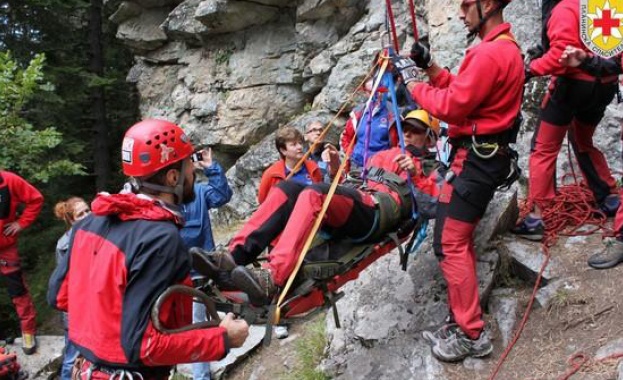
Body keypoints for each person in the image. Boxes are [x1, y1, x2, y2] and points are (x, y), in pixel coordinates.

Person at [47, 119, 249, 379]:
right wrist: (222, 339)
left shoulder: (89, 223)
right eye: (189, 165)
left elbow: (60, 296)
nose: (193, 172)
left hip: (86, 368)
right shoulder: (160, 237)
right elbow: (144, 346)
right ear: (172, 177)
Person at [198, 112, 441, 307]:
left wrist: (416, 175)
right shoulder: (383, 155)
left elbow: (436, 204)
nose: (407, 135)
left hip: (378, 211)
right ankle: (234, 255)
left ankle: (273, 277)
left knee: (314, 193)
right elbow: (350, 179)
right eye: (405, 129)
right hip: (358, 200)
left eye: (416, 132)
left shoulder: (434, 167)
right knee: (287, 188)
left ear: (430, 138)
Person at [395, 0, 523, 362]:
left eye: (467, 5)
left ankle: (472, 334)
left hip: (475, 163)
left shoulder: (488, 53)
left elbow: (452, 106)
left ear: (487, 5)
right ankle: (462, 321)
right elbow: (465, 91)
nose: (460, 13)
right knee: (452, 240)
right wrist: (429, 66)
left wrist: (413, 83)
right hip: (484, 159)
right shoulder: (505, 48)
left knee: (451, 243)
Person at [511, 0, 620, 241]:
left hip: (572, 87)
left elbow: (560, 56)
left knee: (543, 147)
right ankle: (609, 196)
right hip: (605, 87)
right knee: (583, 140)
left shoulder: (564, 8)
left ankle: (536, 218)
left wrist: (529, 69)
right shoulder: (606, 7)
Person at [559, 46, 623, 270]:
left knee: (579, 137)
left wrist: (587, 62)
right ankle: (607, 194)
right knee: (579, 137)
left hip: (595, 84)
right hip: (598, 82)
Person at [180, 147, 232, 380]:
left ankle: (202, 372)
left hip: (202, 271)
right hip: (177, 275)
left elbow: (222, 195)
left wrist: (211, 167)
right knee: (193, 323)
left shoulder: (200, 193)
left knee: (200, 322)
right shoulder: (163, 203)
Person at [0, 170, 43, 355]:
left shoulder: (9, 181)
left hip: (6, 247)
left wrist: (21, 223)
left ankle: (28, 331)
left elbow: (35, 199)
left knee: (17, 290)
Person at [53, 197, 91, 380]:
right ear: (71, 220)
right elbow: (66, 282)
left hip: (91, 307)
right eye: (81, 214)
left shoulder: (94, 235)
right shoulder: (65, 245)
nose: (87, 215)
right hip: (75, 310)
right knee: (72, 357)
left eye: (88, 210)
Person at [340, 79, 398, 170]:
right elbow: (346, 137)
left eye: (379, 91)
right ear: (366, 93)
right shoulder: (358, 113)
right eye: (372, 92)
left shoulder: (392, 113)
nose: (376, 95)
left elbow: (399, 142)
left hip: (381, 167)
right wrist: (352, 154)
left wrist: (391, 160)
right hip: (357, 165)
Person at [258, 126, 323, 204]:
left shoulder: (313, 167)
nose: (299, 147)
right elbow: (263, 202)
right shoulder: (271, 174)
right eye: (294, 144)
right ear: (283, 151)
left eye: (300, 143)